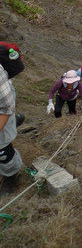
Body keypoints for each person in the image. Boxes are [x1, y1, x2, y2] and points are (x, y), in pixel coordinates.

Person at [0, 42, 25, 195]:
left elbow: (6, 106)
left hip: (2, 105)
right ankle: (13, 122)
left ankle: (12, 174)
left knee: (2, 150)